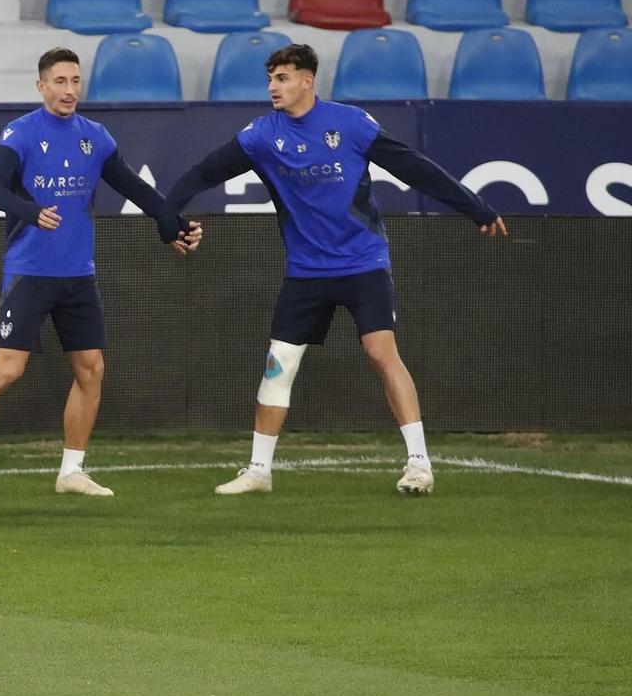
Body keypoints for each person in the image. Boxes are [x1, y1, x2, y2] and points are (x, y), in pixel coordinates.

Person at [164, 43, 507, 496]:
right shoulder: (262, 135)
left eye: (283, 78)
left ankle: (419, 464)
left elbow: (417, 169)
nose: (273, 87)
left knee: (381, 353)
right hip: (306, 271)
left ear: (307, 80)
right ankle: (259, 471)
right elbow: (203, 172)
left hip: (363, 262)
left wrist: (477, 209)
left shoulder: (350, 124)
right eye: (270, 79)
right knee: (277, 366)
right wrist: (166, 215)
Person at [0, 49, 201, 501]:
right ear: (41, 87)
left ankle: (71, 470)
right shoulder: (20, 133)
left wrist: (171, 224)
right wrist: (32, 213)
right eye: (60, 81)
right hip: (30, 271)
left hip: (78, 274)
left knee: (91, 369)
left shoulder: (94, 136)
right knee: (7, 370)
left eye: (76, 81)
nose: (69, 90)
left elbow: (133, 186)